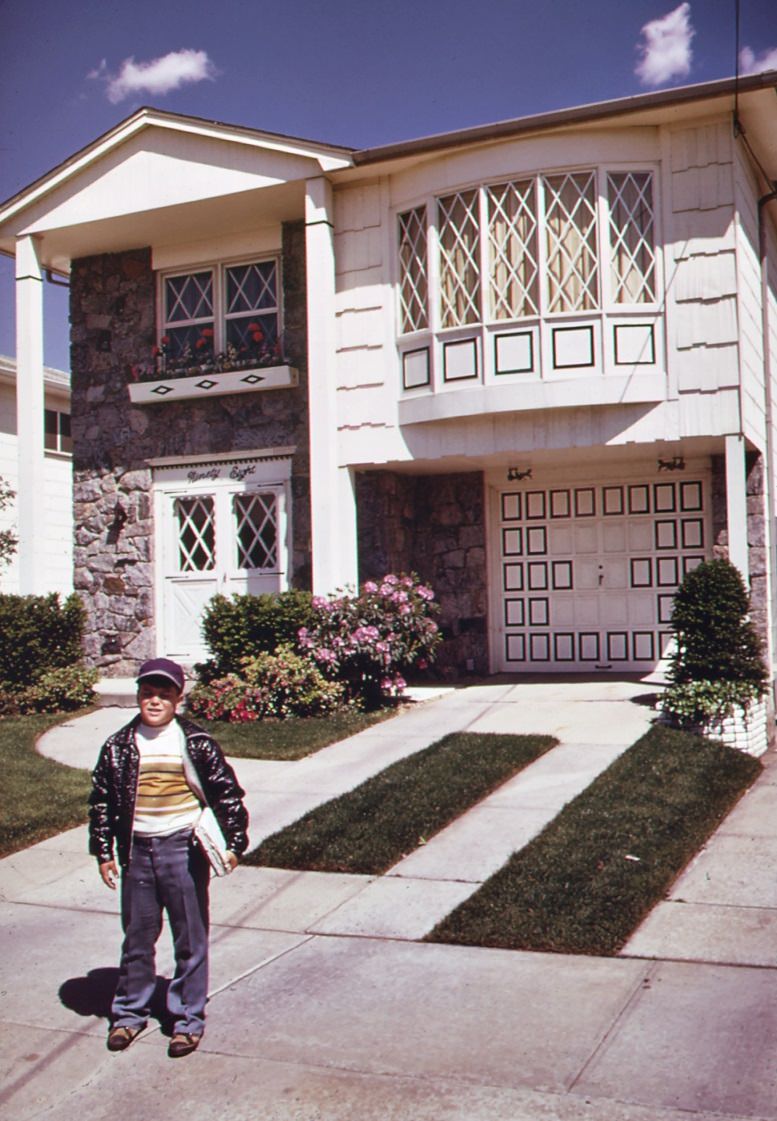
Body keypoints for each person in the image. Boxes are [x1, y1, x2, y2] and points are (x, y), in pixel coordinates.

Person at [88, 657, 249, 1058]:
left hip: (182, 848)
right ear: (138, 696)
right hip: (137, 852)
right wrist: (104, 850)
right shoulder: (118, 746)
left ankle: (187, 1019)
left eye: (164, 694)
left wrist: (234, 844)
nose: (155, 701)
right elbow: (102, 803)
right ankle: (129, 1014)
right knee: (137, 938)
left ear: (179, 697)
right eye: (147, 693)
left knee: (189, 939)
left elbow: (227, 794)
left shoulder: (194, 742)